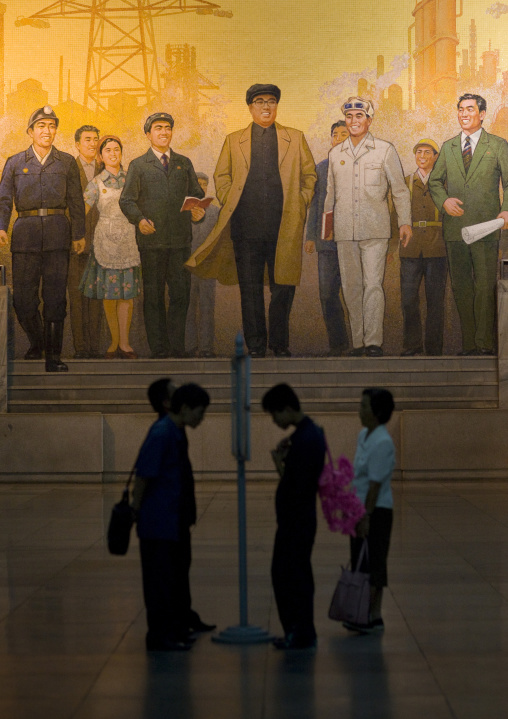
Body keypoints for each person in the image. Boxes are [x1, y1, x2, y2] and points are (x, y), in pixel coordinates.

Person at [186, 84, 317, 358]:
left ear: (277, 106)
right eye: (259, 102)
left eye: (271, 101)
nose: (266, 106)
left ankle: (279, 344)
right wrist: (229, 197)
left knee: (284, 288)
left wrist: (301, 200)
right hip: (245, 229)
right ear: (250, 107)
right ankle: (256, 346)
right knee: (251, 290)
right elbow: (221, 176)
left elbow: (309, 175)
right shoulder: (234, 140)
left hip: (285, 227)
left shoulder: (295, 137)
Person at [324, 96, 412, 357]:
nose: (354, 121)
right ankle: (359, 342)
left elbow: (399, 190)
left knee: (373, 284)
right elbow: (330, 194)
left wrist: (404, 222)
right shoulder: (335, 153)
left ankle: (373, 342)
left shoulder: (385, 150)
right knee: (351, 287)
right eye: (349, 116)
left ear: (369, 120)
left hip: (375, 229)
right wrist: (326, 227)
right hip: (344, 230)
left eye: (359, 116)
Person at [0, 105, 85, 371]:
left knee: (56, 297)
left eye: (51, 126)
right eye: (41, 126)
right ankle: (38, 342)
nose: (47, 131)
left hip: (58, 236)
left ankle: (53, 358)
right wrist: (1, 225)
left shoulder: (67, 162)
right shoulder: (15, 162)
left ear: (56, 130)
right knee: (23, 300)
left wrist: (79, 233)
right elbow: (3, 199)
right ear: (30, 131)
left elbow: (76, 202)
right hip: (25, 236)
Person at [131, 380, 214, 651]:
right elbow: (143, 476)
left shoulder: (175, 431)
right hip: (159, 522)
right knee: (159, 580)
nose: (201, 419)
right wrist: (136, 510)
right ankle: (160, 634)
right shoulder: (163, 432)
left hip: (173, 520)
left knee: (173, 576)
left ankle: (174, 628)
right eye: (199, 412)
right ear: (186, 408)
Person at [119, 113, 205, 358]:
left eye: (168, 128)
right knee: (154, 297)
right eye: (158, 128)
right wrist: (139, 220)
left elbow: (197, 195)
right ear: (148, 134)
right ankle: (159, 349)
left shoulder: (183, 163)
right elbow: (126, 200)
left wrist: (199, 212)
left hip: (180, 242)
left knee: (180, 295)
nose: (164, 132)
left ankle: (177, 347)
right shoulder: (138, 165)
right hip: (152, 242)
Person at [428, 93, 508, 355]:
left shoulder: (497, 145)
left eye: (470, 109)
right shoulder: (449, 146)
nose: (464, 114)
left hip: (487, 228)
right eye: (460, 109)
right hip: (455, 230)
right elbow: (434, 182)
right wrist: (444, 202)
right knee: (462, 287)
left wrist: (506, 210)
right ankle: (469, 345)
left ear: (482, 114)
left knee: (485, 286)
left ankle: (484, 344)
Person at [262, 383, 325, 649]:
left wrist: (281, 463)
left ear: (287, 409)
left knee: (289, 574)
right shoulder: (306, 434)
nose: (274, 420)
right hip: (297, 517)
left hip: (297, 518)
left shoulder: (306, 438)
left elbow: (297, 482)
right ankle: (299, 630)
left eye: (275, 414)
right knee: (294, 573)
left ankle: (298, 631)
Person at [80, 136, 141, 359]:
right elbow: (82, 211)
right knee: (109, 293)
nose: (113, 154)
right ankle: (114, 341)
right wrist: (76, 234)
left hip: (128, 238)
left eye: (117, 150)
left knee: (126, 294)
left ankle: (125, 343)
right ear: (100, 156)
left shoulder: (131, 180)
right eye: (108, 150)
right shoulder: (95, 183)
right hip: (104, 240)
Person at [345, 388, 395, 634]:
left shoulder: (383, 442)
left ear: (377, 413)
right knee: (360, 561)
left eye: (364, 406)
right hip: (359, 508)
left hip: (376, 511)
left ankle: (372, 615)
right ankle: (366, 613)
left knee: (374, 561)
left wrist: (366, 516)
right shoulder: (363, 435)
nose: (359, 410)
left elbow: (375, 485)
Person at [304, 121, 350, 356]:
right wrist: (311, 236)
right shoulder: (320, 168)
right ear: (330, 139)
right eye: (335, 134)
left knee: (355, 293)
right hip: (326, 242)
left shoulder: (362, 165)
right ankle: (339, 344)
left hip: (354, 241)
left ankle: (362, 344)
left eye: (345, 134)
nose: (339, 138)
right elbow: (315, 205)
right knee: (327, 293)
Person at [399, 139, 447, 356]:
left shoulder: (444, 183)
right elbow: (395, 215)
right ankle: (412, 345)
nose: (423, 156)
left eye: (428, 152)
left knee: (435, 302)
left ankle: (434, 348)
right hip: (410, 249)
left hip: (438, 249)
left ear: (436, 157)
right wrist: (393, 247)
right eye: (419, 152)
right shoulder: (406, 182)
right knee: (409, 299)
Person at [68, 125, 103, 359]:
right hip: (75, 242)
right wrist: (73, 236)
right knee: (77, 295)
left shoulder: (108, 168)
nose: (92, 144)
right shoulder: (68, 168)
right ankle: (80, 348)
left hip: (102, 243)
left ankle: (95, 347)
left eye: (96, 140)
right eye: (87, 140)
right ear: (78, 144)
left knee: (97, 296)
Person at [185, 172, 220, 358]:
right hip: (187, 266)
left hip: (207, 267)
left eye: (204, 184)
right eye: (197, 183)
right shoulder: (182, 210)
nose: (201, 186)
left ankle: (206, 348)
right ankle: (189, 347)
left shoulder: (215, 211)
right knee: (188, 307)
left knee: (207, 307)